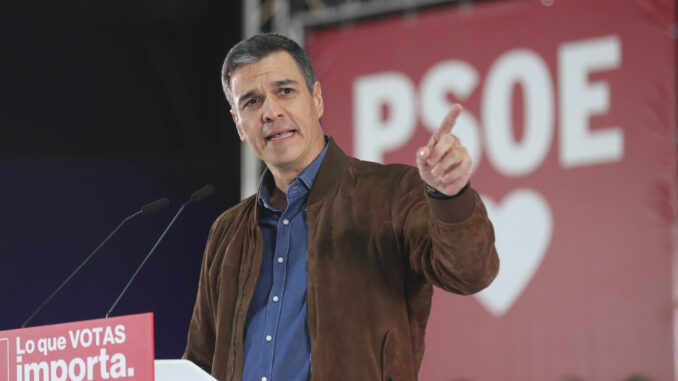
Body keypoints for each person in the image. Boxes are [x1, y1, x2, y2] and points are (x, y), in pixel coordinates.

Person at [183, 33, 499, 381]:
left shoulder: (391, 193)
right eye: (252, 102)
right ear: (238, 124)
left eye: (285, 91)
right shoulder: (228, 231)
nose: (271, 112)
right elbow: (200, 362)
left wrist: (449, 195)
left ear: (316, 99)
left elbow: (471, 272)